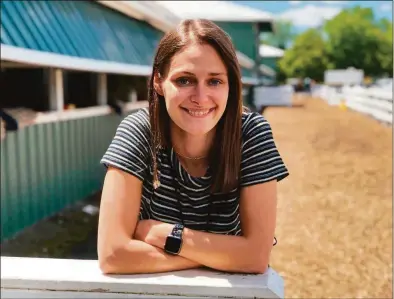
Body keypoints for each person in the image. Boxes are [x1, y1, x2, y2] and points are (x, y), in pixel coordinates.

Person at [97, 19, 289, 275]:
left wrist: (168, 236)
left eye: (215, 81)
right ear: (158, 82)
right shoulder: (139, 131)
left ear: (230, 85)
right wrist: (226, 256)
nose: (200, 98)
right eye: (185, 80)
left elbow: (255, 256)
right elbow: (113, 255)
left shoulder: (251, 134)